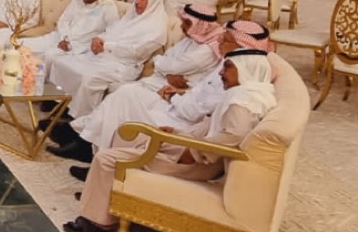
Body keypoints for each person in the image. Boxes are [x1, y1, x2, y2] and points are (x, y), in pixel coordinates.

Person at [63, 47, 277, 232]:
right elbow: (215, 129)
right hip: (193, 144)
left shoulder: (241, 102)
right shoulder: (252, 95)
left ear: (246, 70)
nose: (221, 72)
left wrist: (191, 153)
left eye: (228, 67)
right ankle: (102, 195)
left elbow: (232, 136)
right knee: (127, 134)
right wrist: (178, 133)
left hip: (198, 163)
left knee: (106, 159)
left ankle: (98, 220)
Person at [52, 19, 269, 165]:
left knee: (125, 100)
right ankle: (87, 143)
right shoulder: (228, 64)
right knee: (125, 94)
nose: (219, 41)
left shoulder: (240, 75)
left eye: (226, 39)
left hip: (183, 121)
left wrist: (175, 95)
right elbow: (196, 89)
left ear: (241, 45)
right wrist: (179, 91)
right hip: (177, 103)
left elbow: (197, 110)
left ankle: (90, 149)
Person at [48, 0, 168, 118]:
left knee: (89, 77)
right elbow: (112, 31)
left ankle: (78, 118)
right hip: (105, 56)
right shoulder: (132, 17)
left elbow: (135, 51)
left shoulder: (157, 29)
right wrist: (99, 39)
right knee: (64, 62)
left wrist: (106, 45)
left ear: (153, 3)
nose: (137, 2)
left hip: (124, 66)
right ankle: (61, 104)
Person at [19, 0, 118, 62]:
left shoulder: (108, 6)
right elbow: (64, 20)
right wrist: (64, 38)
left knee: (48, 56)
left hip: (81, 46)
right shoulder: (78, 0)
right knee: (20, 45)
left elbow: (114, 31)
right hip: (60, 37)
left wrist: (100, 38)